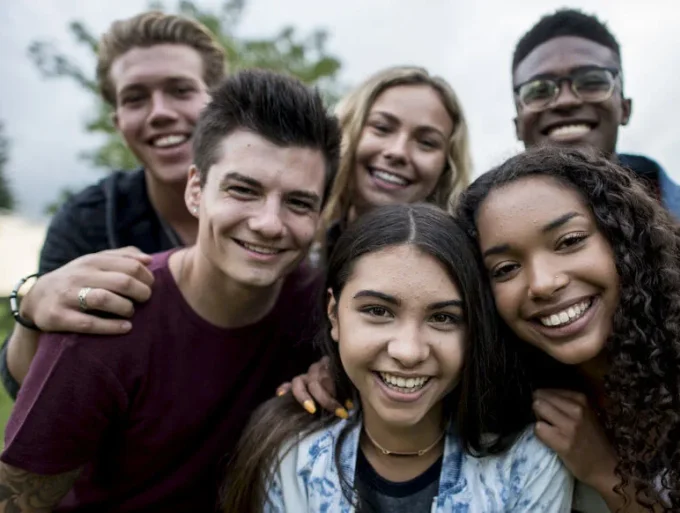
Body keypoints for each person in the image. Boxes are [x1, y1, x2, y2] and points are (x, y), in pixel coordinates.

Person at [0, 69, 340, 512]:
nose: (269, 223)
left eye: (298, 202)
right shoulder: (107, 316)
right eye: (243, 190)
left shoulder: (323, 310)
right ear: (196, 190)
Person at [457, 147, 680, 512]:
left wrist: (606, 473)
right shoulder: (503, 416)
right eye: (505, 268)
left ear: (625, 241)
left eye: (570, 241)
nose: (542, 283)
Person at [221, 203, 573, 512]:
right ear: (334, 315)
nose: (408, 352)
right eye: (378, 311)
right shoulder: (290, 453)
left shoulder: (526, 463)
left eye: (443, 318)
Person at [1, 11, 226, 399]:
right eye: (136, 98)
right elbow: (26, 387)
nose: (160, 112)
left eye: (180, 90)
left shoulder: (276, 207)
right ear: (118, 121)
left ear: (219, 103)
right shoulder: (87, 221)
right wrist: (33, 306)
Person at [510, 9, 680, 305]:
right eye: (538, 90)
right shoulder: (481, 241)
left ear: (624, 107)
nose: (567, 100)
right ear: (518, 122)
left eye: (592, 81)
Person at [320, 66, 472, 259]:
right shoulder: (299, 254)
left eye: (426, 142)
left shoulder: (461, 272)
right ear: (347, 133)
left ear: (446, 168)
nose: (398, 152)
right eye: (382, 128)